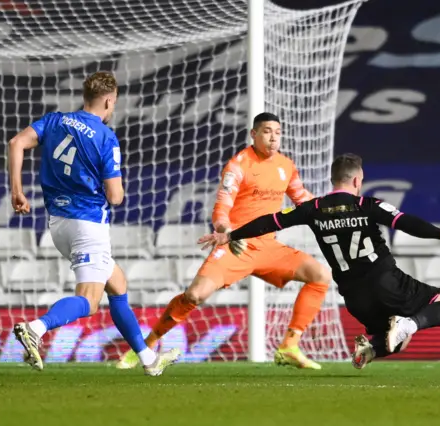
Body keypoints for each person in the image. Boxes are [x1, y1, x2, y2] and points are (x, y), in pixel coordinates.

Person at [198, 153, 440, 368]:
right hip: (385, 282)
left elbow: (270, 221)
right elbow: (405, 222)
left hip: (354, 297)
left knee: (397, 340)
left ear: (333, 179)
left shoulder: (312, 209)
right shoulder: (368, 205)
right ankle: (408, 322)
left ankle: (371, 348)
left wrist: (231, 235)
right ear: (357, 180)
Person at [116, 112, 331, 370]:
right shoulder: (238, 165)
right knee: (195, 295)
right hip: (237, 246)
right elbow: (221, 208)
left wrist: (330, 209)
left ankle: (289, 346)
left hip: (269, 247)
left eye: (277, 132)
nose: (273, 137)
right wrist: (226, 228)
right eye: (266, 131)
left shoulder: (286, 165)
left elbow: (302, 199)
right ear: (254, 134)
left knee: (319, 274)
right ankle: (147, 345)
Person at [8, 71, 179, 375]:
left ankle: (148, 359)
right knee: (89, 300)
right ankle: (35, 328)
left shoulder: (55, 120)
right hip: (88, 225)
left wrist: (18, 191)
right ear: (108, 100)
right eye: (114, 104)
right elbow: (115, 196)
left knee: (118, 284)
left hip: (58, 223)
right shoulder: (105, 137)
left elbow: (16, 143)